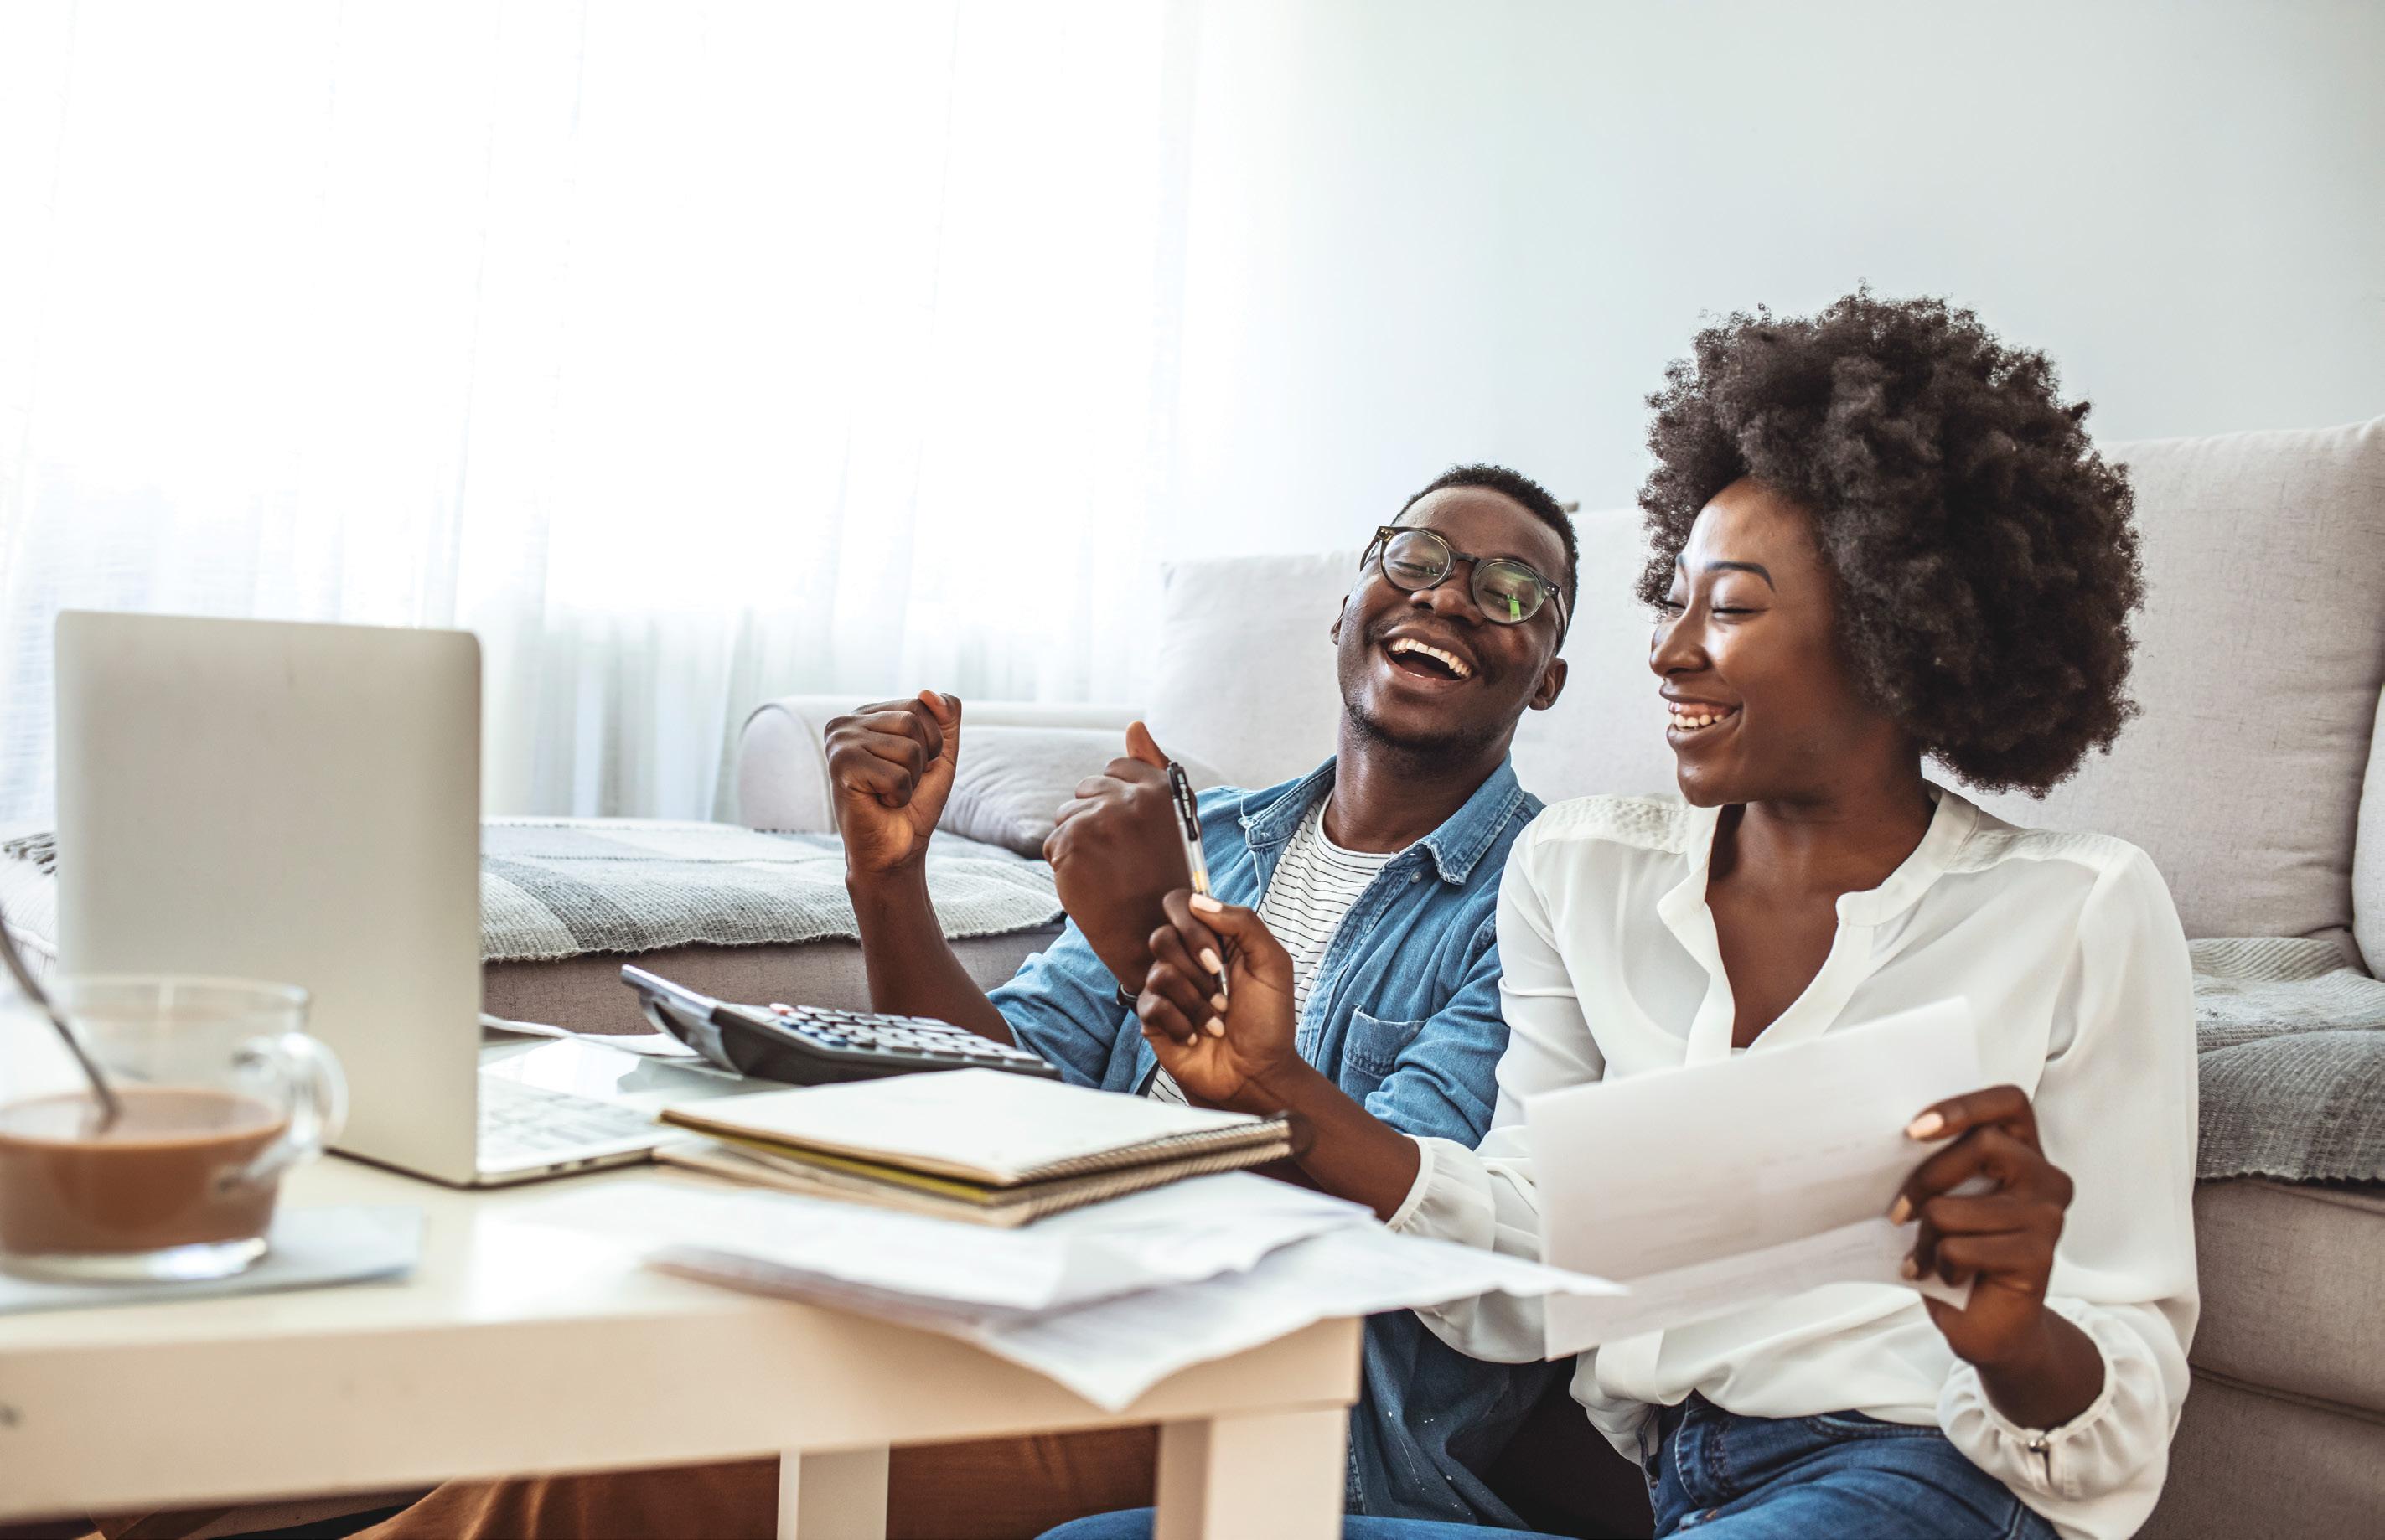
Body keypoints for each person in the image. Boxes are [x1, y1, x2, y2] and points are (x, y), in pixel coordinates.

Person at [1061, 292, 2195, 1540]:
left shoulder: (2077, 906)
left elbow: (2119, 1414)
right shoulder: (1581, 871)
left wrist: (2014, 1335)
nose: (1668, 652)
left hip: (1931, 1473)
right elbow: (1523, 1271)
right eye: (1676, 599)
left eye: (1732, 608)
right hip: (1675, 1493)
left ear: (1895, 634)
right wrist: (1274, 1086)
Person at [353, 463, 1580, 1540]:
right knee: (616, 1356)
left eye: (1511, 590)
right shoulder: (1218, 834)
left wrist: (1142, 954)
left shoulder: (1541, 896)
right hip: (1030, 1305)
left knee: (657, 1466)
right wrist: (889, 878)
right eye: (1416, 558)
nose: (1448, 597)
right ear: (1347, 602)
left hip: (1261, 1401)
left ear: (1549, 680)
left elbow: (1394, 1231)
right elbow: (988, 1081)